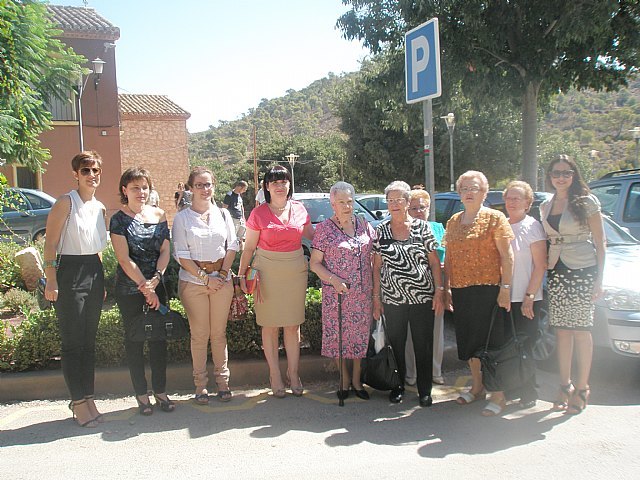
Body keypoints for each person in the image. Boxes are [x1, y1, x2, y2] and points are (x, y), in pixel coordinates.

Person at [43, 151, 108, 428]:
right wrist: (52, 280)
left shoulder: (100, 207)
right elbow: (50, 245)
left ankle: (88, 397)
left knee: (88, 343)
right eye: (85, 171)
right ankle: (78, 402)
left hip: (93, 271)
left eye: (95, 170)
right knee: (72, 343)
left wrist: (101, 282)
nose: (91, 175)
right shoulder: (65, 203)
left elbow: (98, 249)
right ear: (76, 174)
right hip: (69, 273)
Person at [238, 166, 314, 398]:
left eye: (284, 181)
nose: (279, 186)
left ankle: (293, 374)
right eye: (274, 182)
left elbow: (315, 237)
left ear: (290, 185)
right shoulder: (258, 213)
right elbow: (249, 247)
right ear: (267, 187)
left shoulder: (300, 209)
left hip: (294, 270)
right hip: (267, 271)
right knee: (270, 326)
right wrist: (241, 276)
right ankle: (275, 375)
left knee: (292, 325)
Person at [443, 170, 514, 417]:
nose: (469, 192)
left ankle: (498, 395)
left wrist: (505, 288)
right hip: (462, 291)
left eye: (474, 188)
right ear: (459, 193)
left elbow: (507, 256)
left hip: (489, 290)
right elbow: (449, 258)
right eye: (464, 188)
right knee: (470, 343)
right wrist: (447, 288)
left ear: (484, 192)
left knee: (492, 345)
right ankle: (476, 386)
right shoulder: (453, 221)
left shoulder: (495, 218)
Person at [540, 155, 605, 415]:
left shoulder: (587, 202)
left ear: (574, 175)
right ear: (550, 176)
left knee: (581, 330)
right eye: (556, 173)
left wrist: (600, 279)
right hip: (557, 270)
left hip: (583, 269)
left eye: (566, 173)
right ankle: (564, 384)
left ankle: (582, 386)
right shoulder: (546, 204)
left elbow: (601, 244)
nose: (561, 177)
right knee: (562, 330)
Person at [372, 181, 444, 407]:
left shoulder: (423, 228)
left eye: (398, 200)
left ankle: (424, 390)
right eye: (390, 200)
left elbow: (434, 263)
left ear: (407, 202)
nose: (394, 204)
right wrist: (377, 299)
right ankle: (398, 386)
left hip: (423, 298)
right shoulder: (381, 231)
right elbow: (376, 267)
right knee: (397, 345)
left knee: (423, 345)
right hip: (393, 300)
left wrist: (439, 291)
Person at [110, 167, 174, 415]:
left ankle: (160, 392)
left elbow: (166, 251)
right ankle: (141, 395)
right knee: (134, 342)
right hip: (130, 290)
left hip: (158, 285)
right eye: (135, 187)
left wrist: (156, 280)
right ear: (124, 190)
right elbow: (124, 259)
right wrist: (146, 289)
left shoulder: (159, 215)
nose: (141, 192)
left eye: (144, 187)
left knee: (159, 341)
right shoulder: (118, 219)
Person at [172, 166, 238, 404]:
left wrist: (220, 275)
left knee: (219, 334)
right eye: (199, 185)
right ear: (190, 188)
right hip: (194, 282)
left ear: (214, 186)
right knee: (200, 335)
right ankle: (200, 385)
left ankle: (223, 383)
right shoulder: (182, 218)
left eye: (208, 184)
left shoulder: (223, 214)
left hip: (222, 281)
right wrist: (204, 278)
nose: (204, 189)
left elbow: (232, 246)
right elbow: (180, 254)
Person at [309, 181, 376, 401]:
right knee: (337, 338)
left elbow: (376, 253)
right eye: (341, 202)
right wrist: (334, 279)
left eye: (350, 201)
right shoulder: (325, 230)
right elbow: (315, 263)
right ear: (332, 204)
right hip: (336, 294)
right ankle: (344, 379)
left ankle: (357, 379)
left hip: (362, 294)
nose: (347, 206)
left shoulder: (364, 224)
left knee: (358, 338)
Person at [503, 180, 547, 408]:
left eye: (516, 198)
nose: (511, 202)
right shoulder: (503, 225)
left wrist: (529, 297)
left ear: (528, 203)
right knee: (510, 347)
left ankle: (529, 390)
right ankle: (513, 388)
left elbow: (541, 266)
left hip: (527, 298)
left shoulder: (533, 227)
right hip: (506, 297)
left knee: (526, 345)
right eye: (508, 198)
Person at [405, 188, 447, 386]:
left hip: (436, 286)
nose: (419, 211)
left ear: (429, 208)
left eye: (422, 207)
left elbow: (446, 256)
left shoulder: (438, 228)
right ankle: (411, 372)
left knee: (436, 331)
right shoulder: (403, 228)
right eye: (413, 208)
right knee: (411, 333)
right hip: (411, 288)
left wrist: (444, 288)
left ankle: (435, 370)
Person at [223, 180, 248, 246]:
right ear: (240, 187)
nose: (244, 191)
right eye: (244, 189)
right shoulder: (229, 195)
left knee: (241, 237)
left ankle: (239, 253)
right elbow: (224, 208)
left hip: (240, 219)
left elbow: (241, 206)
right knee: (232, 237)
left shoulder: (239, 195)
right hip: (233, 219)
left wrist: (243, 218)